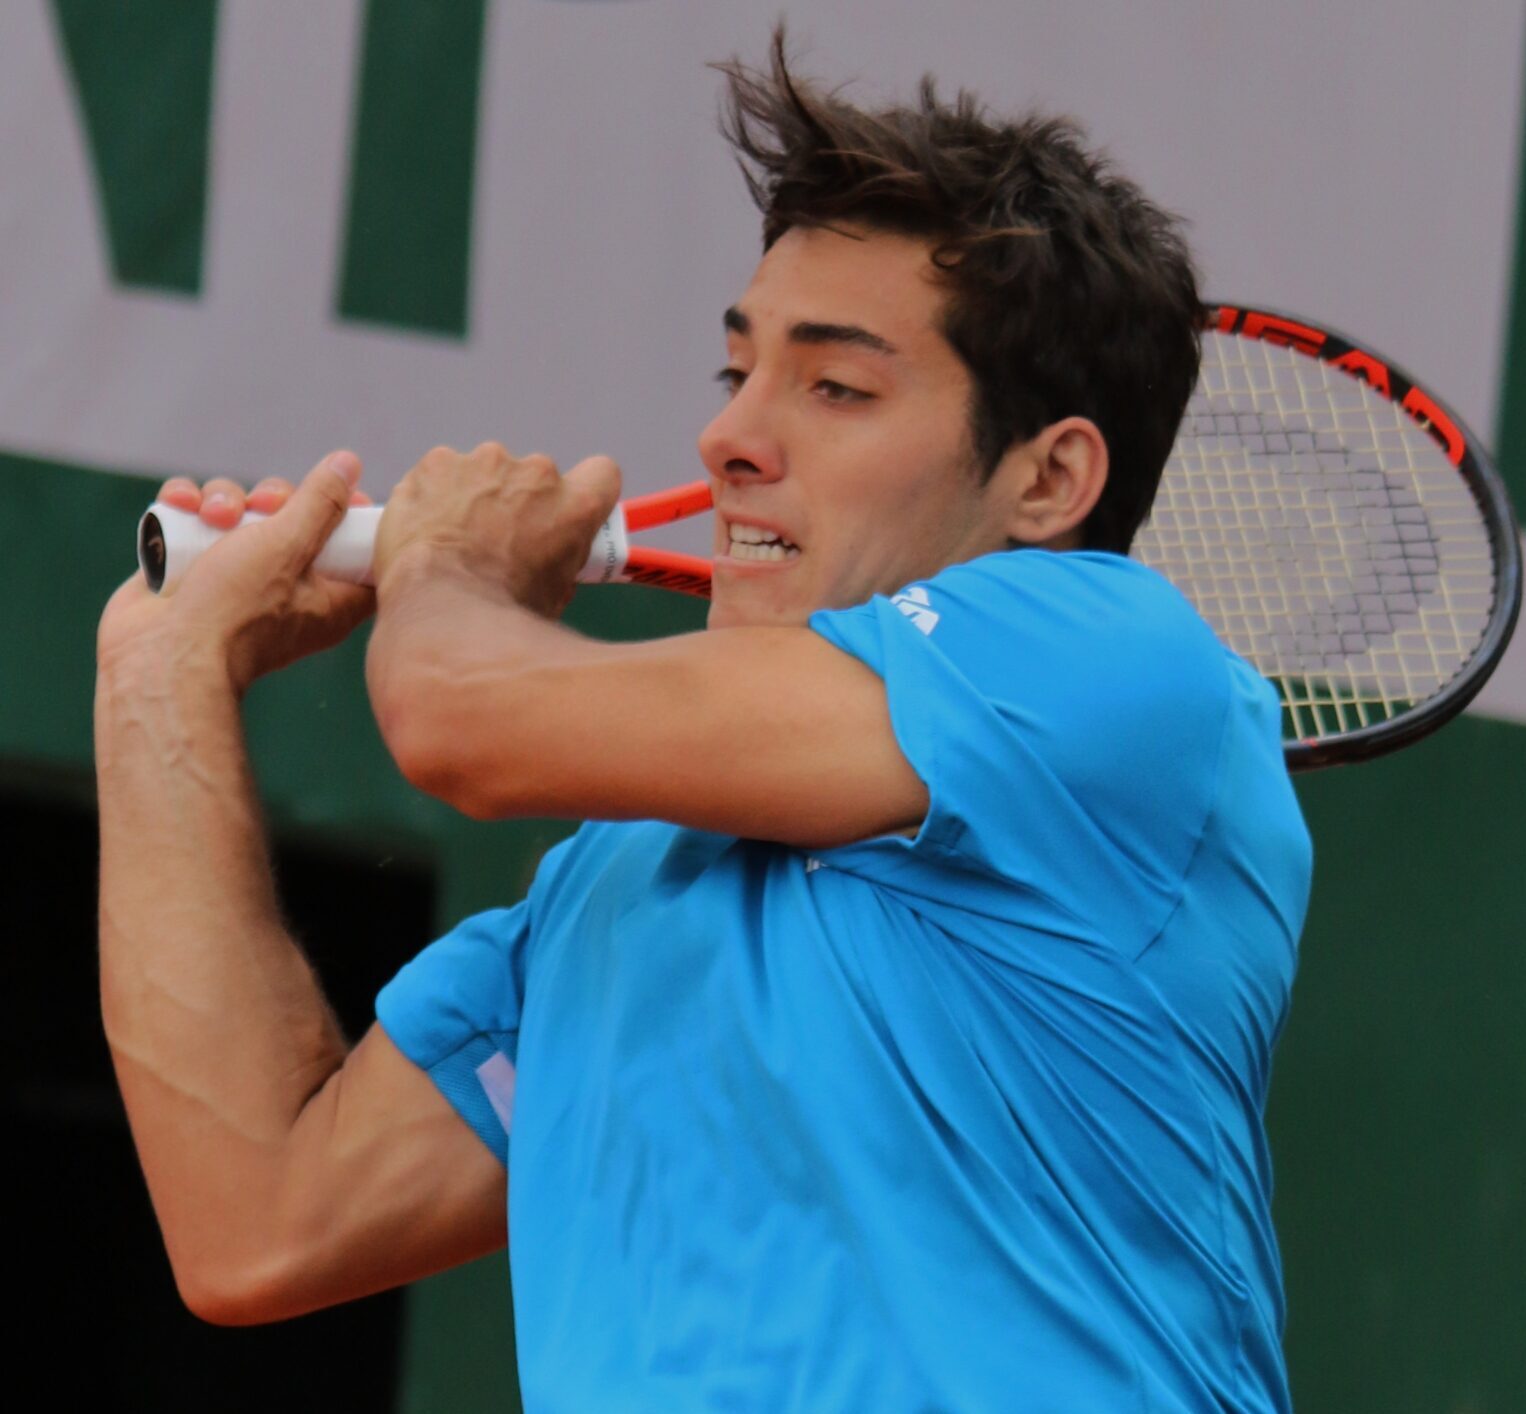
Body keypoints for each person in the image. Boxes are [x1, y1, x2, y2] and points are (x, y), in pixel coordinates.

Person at [94, 34, 1310, 1414]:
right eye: (737, 373)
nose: (732, 436)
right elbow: (260, 1218)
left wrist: (453, 565)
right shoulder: (616, 884)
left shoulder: (1110, 659)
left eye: (835, 387)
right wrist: (158, 677)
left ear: (1050, 481)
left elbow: (455, 718)